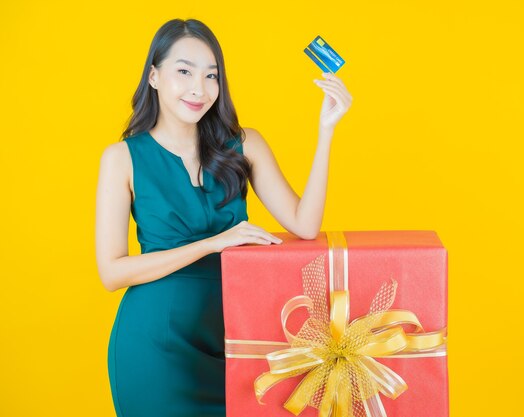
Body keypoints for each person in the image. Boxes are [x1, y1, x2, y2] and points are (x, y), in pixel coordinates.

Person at [95, 18, 352, 417]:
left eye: (211, 75)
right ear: (154, 76)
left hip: (237, 340)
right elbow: (111, 272)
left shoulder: (244, 145)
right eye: (184, 71)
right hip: (154, 348)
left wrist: (326, 131)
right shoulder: (122, 158)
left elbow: (305, 225)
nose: (200, 88)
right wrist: (213, 244)